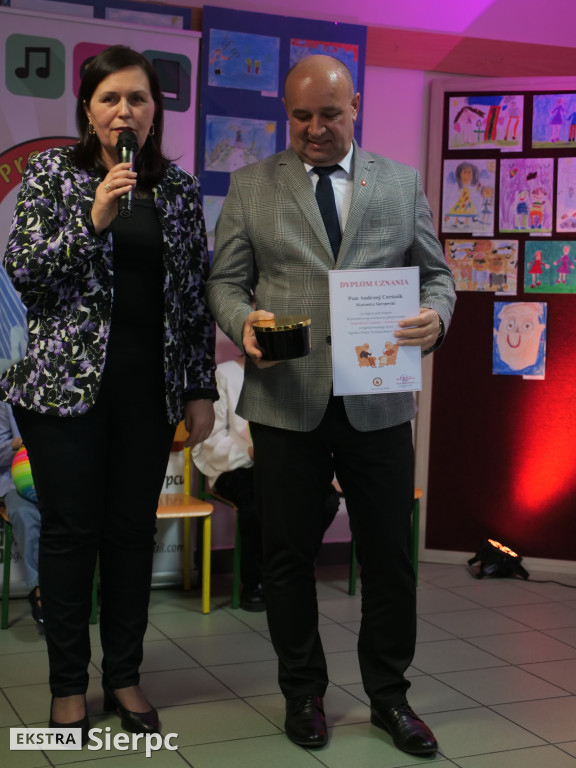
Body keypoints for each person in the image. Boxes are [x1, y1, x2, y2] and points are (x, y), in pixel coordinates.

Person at [207, 55, 456, 757]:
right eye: (300, 116)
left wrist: (436, 317)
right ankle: (303, 693)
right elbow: (224, 283)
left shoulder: (400, 183)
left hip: (380, 400)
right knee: (286, 558)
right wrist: (243, 323)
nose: (315, 129)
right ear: (286, 113)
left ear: (356, 108)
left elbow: (438, 277)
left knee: (389, 558)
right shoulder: (253, 185)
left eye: (329, 114)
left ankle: (390, 697)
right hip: (287, 400)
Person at [0, 45, 217, 741]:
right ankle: (69, 686)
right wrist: (91, 220)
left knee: (130, 535)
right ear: (88, 111)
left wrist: (200, 388)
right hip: (61, 392)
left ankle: (124, 675)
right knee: (70, 536)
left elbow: (192, 299)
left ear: (155, 112)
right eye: (110, 98)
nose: (125, 111)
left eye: (138, 99)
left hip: (147, 394)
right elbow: (25, 273)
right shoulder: (52, 175)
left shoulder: (178, 192)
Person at [192, 354, 340, 612]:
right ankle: (256, 583)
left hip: (281, 461)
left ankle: (294, 568)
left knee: (326, 499)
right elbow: (209, 440)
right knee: (257, 503)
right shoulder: (225, 373)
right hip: (235, 465)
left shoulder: (292, 372)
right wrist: (250, 452)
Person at [0, 401, 42, 624]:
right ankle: (40, 590)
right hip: (15, 482)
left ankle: (67, 589)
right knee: (26, 516)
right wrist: (13, 446)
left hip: (57, 479)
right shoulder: (5, 398)